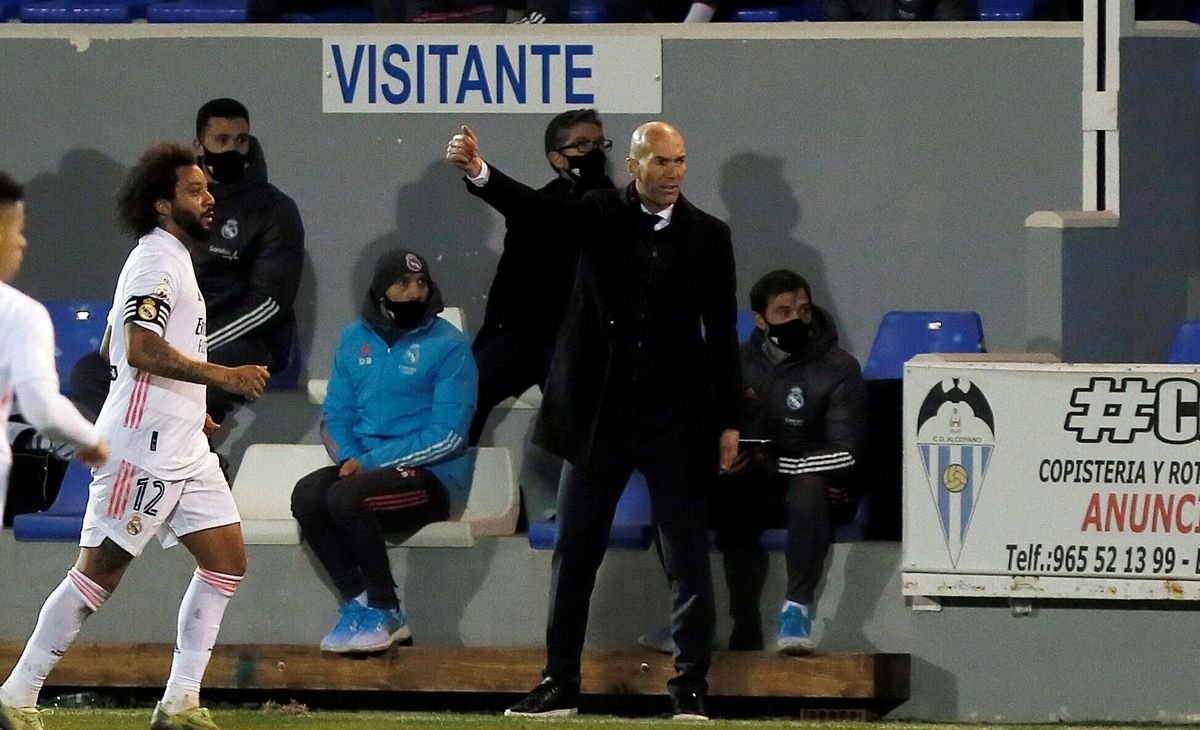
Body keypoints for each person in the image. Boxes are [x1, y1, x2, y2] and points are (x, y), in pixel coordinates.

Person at [446, 121, 740, 721]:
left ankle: (690, 687)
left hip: (674, 421)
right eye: (661, 161)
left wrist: (729, 421)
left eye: (681, 160)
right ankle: (559, 683)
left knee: (687, 557)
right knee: (575, 554)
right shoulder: (600, 213)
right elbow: (535, 213)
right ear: (633, 166)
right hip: (598, 419)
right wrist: (480, 172)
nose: (674, 172)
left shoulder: (710, 236)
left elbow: (720, 337)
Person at [0, 144, 269, 730]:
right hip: (142, 448)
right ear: (161, 205)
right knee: (99, 573)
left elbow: (111, 348)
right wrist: (222, 377)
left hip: (182, 444)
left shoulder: (172, 260)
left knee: (226, 562)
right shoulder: (154, 262)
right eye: (195, 191)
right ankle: (16, 694)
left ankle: (181, 703)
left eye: (208, 188)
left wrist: (188, 407)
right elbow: (141, 348)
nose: (209, 198)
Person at [70, 98, 304, 427]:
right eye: (221, 140)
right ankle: (172, 438)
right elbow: (141, 303)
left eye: (241, 140)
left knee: (187, 380)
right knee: (90, 372)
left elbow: (269, 303)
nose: (233, 150)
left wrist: (195, 345)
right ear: (199, 145)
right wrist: (147, 344)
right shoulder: (161, 240)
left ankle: (180, 439)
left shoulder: (275, 209)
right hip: (173, 333)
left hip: (240, 339)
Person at [291, 249, 477, 655]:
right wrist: (350, 459)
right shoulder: (353, 339)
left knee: (346, 496)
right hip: (363, 467)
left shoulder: (449, 345)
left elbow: (450, 435)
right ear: (381, 291)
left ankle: (386, 608)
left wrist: (370, 463)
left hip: (432, 476)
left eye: (421, 283)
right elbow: (335, 415)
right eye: (402, 284)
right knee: (307, 494)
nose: (414, 293)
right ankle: (356, 602)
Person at [720, 269, 866, 653]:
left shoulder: (839, 368)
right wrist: (724, 460)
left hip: (816, 489)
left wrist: (781, 464)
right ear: (760, 320)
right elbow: (709, 428)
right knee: (678, 487)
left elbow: (848, 451)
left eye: (802, 310)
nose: (797, 319)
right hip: (753, 482)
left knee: (809, 486)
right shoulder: (737, 364)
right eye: (783, 312)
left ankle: (796, 609)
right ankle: (697, 615)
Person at [469, 108, 614, 445]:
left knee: (584, 433)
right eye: (582, 145)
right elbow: (508, 280)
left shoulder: (618, 206)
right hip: (521, 336)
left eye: (599, 144)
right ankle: (438, 475)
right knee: (463, 398)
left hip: (578, 343)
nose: (594, 153)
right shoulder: (534, 205)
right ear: (556, 158)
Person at [0, 171, 109, 531]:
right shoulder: (20, 314)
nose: (22, 243)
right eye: (18, 230)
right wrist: (91, 439)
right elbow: (43, 410)